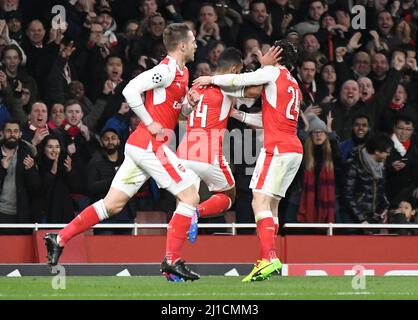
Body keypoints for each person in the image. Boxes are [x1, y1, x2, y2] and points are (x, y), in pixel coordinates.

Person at [44, 23, 202, 282]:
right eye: (193, 40)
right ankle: (172, 260)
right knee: (190, 195)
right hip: (151, 145)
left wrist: (188, 105)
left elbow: (176, 113)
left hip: (142, 147)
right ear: (182, 45)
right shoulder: (166, 69)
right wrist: (148, 121)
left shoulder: (183, 73)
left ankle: (58, 238)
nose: (196, 45)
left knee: (112, 204)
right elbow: (129, 90)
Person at [194, 39, 302, 282]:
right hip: (293, 148)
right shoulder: (294, 84)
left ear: (276, 55)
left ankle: (269, 257)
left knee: (258, 203)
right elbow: (268, 120)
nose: (262, 54)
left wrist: (211, 79)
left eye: (267, 51)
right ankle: (266, 258)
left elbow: (239, 80)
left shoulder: (272, 72)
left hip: (277, 149)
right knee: (271, 206)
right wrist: (239, 114)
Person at [177, 47, 262, 238]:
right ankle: (197, 212)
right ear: (233, 71)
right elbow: (256, 90)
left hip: (184, 152)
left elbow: (182, 115)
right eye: (239, 72)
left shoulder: (197, 85)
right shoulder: (228, 86)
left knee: (183, 202)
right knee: (228, 197)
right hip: (208, 153)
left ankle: (172, 255)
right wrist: (263, 66)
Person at [342, 133, 392, 225]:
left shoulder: (381, 167)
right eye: (387, 152)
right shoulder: (354, 165)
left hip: (372, 218)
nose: (388, 155)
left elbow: (380, 190)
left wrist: (385, 207)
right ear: (377, 151)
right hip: (353, 219)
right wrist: (361, 219)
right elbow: (347, 195)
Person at [0, 119, 40, 234]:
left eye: (15, 131)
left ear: (20, 134)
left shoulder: (27, 154)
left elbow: (36, 188)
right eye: (8, 131)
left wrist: (31, 170)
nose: (12, 134)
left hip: (20, 215)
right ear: (2, 133)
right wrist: (2, 169)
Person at [33, 134, 79, 223]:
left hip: (64, 213)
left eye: (57, 147)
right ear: (44, 148)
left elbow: (75, 187)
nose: (54, 150)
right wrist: (52, 173)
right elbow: (38, 189)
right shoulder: (37, 164)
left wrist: (69, 171)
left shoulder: (66, 163)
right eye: (50, 147)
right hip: (44, 214)